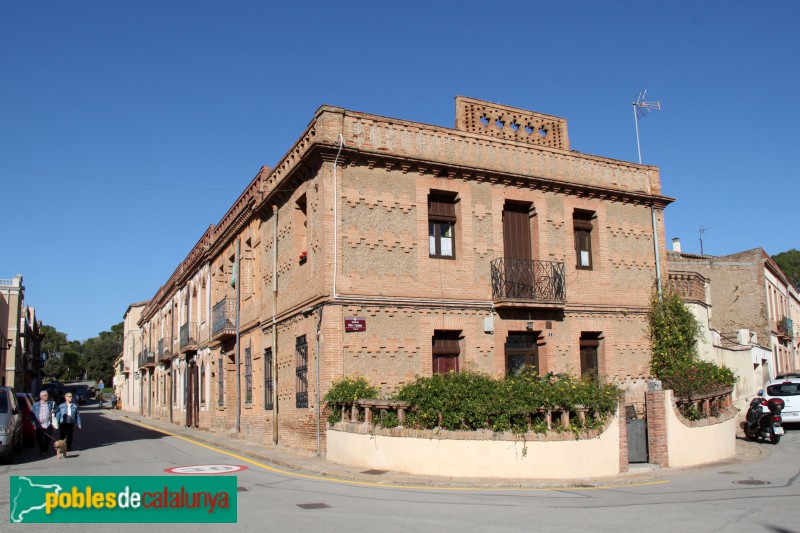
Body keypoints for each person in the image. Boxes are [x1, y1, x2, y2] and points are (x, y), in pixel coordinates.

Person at [32, 391, 56, 456]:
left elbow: (57, 409)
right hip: (39, 424)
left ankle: (44, 450)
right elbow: (32, 415)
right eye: (45, 395)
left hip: (48, 423)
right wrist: (34, 424)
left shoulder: (50, 403)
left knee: (47, 438)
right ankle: (42, 448)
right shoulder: (36, 405)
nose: (47, 396)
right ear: (41, 397)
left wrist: (54, 412)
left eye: (47, 395)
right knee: (39, 438)